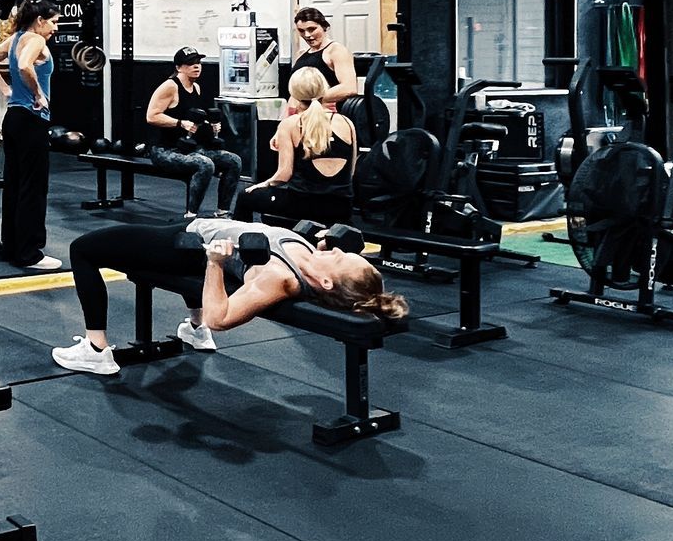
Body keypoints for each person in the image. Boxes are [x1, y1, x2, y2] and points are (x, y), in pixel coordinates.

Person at [50, 216, 406, 378]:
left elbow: (220, 319)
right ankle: (192, 330)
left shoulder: (277, 277)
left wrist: (216, 263)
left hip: (182, 245)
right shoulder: (312, 258)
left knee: (83, 249)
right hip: (196, 233)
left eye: (339, 259)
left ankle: (96, 351)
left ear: (327, 283)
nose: (333, 252)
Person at [0, 0, 60, 270]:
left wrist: (6, 90)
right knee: (33, 188)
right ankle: (30, 254)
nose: (55, 29)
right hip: (31, 119)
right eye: (53, 22)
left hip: (13, 119)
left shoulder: (14, 39)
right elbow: (25, 65)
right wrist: (38, 94)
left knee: (14, 185)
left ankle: (13, 248)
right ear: (40, 20)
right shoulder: (36, 40)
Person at [240, 66, 360, 222]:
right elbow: (351, 171)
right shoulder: (347, 122)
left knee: (244, 197)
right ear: (324, 89)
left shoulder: (289, 124)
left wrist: (261, 185)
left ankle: (244, 244)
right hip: (341, 208)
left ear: (295, 93)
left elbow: (284, 174)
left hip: (301, 205)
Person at [144, 49, 243, 214]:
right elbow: (151, 116)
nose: (196, 66)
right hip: (163, 150)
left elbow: (196, 118)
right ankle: (191, 216)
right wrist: (180, 123)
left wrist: (211, 126)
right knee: (205, 164)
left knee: (234, 161)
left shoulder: (196, 87)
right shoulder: (170, 86)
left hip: (189, 148)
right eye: (190, 63)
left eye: (198, 63)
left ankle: (223, 212)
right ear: (179, 67)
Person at [290, 7, 359, 102]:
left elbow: (349, 88)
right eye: (301, 31)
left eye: (312, 29)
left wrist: (309, 100)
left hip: (325, 111)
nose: (307, 35)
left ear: (324, 27)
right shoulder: (301, 55)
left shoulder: (336, 51)